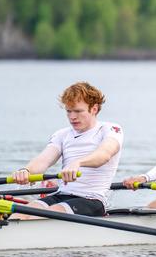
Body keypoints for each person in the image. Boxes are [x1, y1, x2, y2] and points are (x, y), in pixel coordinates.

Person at [11, 82, 123, 219]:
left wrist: (78, 163)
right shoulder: (62, 134)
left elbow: (104, 154)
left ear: (94, 109)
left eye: (78, 111)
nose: (72, 117)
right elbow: (44, 160)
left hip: (92, 200)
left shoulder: (110, 129)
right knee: (18, 215)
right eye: (69, 111)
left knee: (41, 216)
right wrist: (26, 171)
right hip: (61, 195)